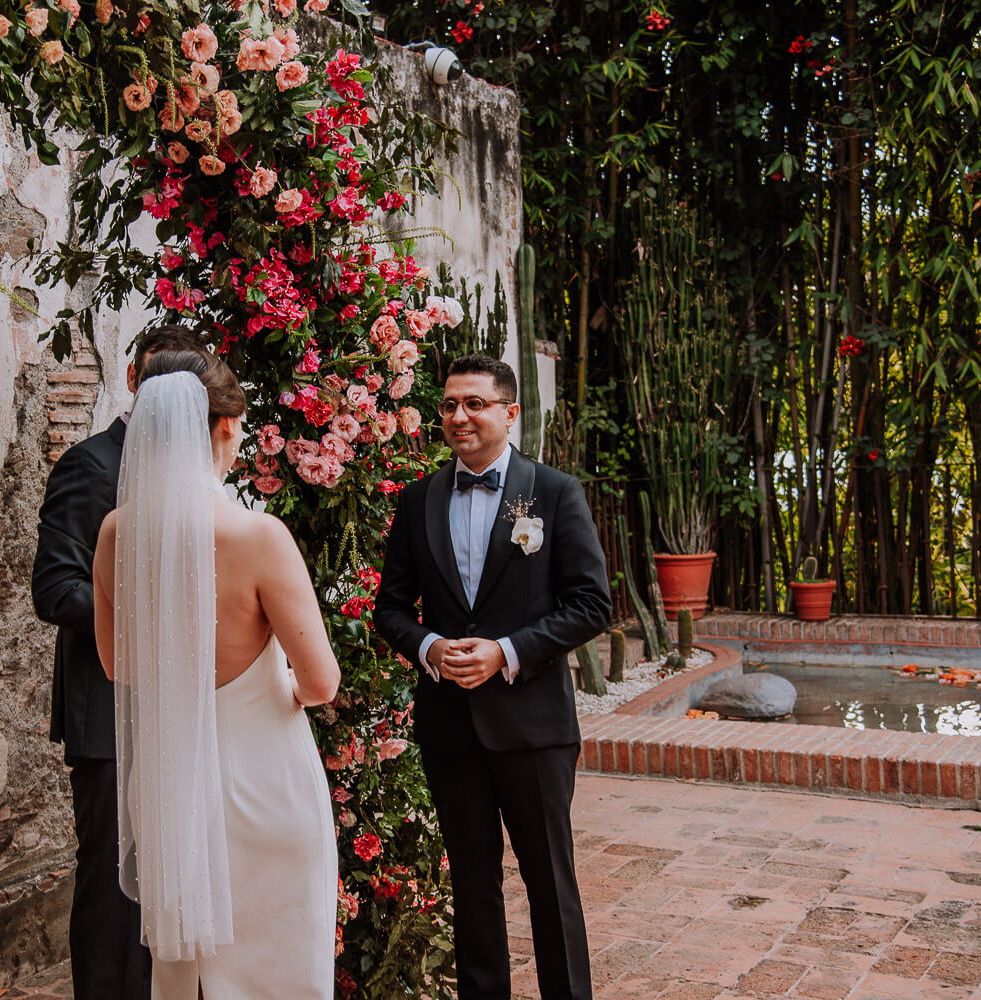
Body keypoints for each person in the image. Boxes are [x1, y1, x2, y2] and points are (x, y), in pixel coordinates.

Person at [91, 349, 341, 1000]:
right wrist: (271, 691)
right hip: (262, 785)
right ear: (228, 427)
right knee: (279, 970)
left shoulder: (117, 534)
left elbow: (117, 667)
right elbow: (321, 683)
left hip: (170, 786)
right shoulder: (258, 538)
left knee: (184, 977)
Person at [373, 354, 612, 1000]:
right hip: (451, 729)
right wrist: (429, 647)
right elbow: (390, 607)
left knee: (550, 885)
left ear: (510, 413)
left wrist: (505, 652)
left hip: (533, 727)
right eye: (449, 404)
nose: (459, 416)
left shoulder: (554, 493)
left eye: (475, 403)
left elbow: (592, 603)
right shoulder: (419, 500)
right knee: (472, 886)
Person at [31, 325, 206, 1000]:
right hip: (107, 709)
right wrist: (147, 623)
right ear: (132, 380)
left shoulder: (195, 470)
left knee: (166, 883)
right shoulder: (91, 465)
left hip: (181, 710)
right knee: (111, 886)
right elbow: (54, 588)